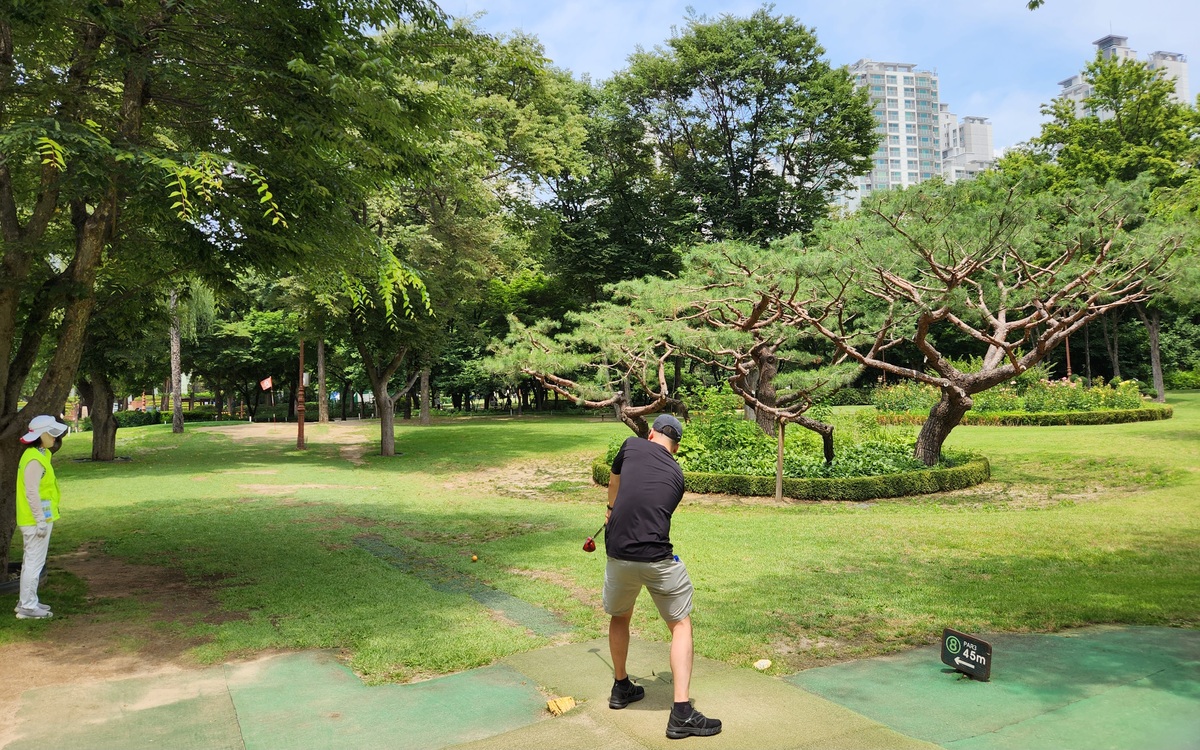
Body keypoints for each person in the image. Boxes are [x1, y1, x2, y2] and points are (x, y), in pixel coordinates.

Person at [603, 413, 722, 740]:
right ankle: (681, 712)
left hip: (618, 553)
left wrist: (610, 509)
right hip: (657, 558)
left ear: (652, 434)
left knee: (620, 615)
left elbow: (615, 482)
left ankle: (620, 687)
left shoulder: (630, 445)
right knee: (680, 624)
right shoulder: (678, 475)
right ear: (676, 447)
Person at [14, 415, 68, 620]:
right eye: (51, 433)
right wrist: (39, 521)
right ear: (41, 434)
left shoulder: (39, 454)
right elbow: (32, 493)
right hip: (34, 521)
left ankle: (28, 602)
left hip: (38, 519)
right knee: (34, 563)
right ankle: (28, 607)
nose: (55, 437)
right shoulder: (34, 459)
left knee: (32, 562)